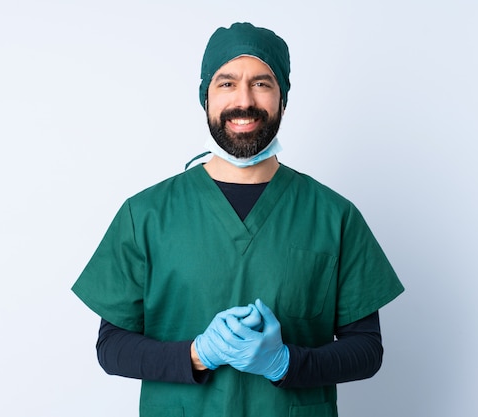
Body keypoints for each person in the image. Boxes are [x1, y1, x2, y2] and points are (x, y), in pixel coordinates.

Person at [72, 22, 404, 417]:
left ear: (282, 98)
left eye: (262, 84)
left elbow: (367, 349)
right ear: (205, 98)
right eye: (226, 83)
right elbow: (111, 348)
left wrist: (285, 363)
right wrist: (198, 354)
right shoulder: (145, 215)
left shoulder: (333, 216)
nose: (244, 100)